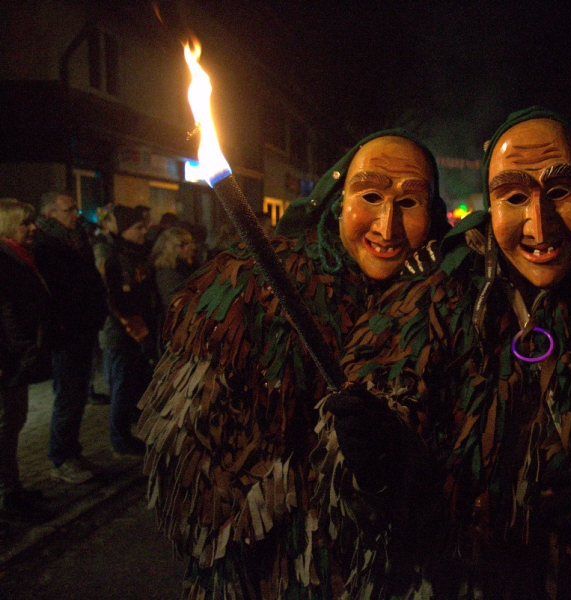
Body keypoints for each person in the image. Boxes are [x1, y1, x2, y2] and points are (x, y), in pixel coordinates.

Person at [137, 131, 449, 599]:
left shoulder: (444, 301)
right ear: (336, 201)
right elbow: (197, 470)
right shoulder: (255, 288)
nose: (388, 227)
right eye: (370, 196)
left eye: (409, 202)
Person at [321, 108, 571, 598]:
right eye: (514, 197)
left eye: (561, 191)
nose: (540, 226)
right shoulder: (433, 296)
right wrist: (386, 461)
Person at [32, 191, 107, 484]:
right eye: (69, 209)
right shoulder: (46, 245)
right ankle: (61, 457)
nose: (76, 214)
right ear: (50, 213)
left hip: (82, 327)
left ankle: (72, 451)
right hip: (67, 332)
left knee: (76, 396)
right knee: (68, 396)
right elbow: (56, 292)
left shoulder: (75, 239)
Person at [0, 199, 53, 522]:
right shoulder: (5, 261)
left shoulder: (19, 257)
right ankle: (8, 494)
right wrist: (21, 351)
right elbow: (7, 314)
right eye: (24, 223)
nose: (32, 228)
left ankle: (13, 487)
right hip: (8, 359)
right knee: (6, 425)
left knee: (13, 423)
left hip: (16, 356)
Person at [99, 205, 156, 458]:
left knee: (131, 383)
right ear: (124, 230)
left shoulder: (133, 254)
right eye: (138, 227)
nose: (144, 232)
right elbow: (119, 301)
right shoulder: (117, 258)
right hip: (124, 333)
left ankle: (128, 431)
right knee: (122, 387)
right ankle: (120, 440)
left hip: (135, 330)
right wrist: (138, 331)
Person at [151, 225, 197, 310]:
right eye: (183, 244)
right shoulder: (167, 272)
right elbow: (174, 302)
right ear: (170, 247)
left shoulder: (184, 266)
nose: (191, 247)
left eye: (190, 242)